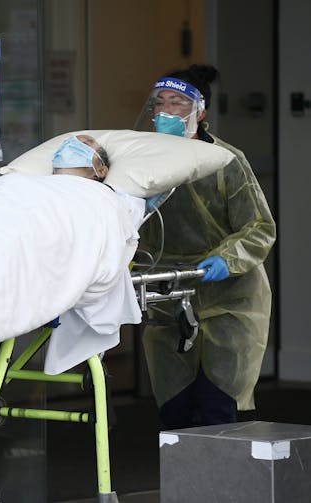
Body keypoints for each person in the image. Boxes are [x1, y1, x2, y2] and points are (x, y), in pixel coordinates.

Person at [134, 64, 276, 428]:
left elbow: (259, 227)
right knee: (174, 411)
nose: (166, 112)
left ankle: (222, 486)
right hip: (169, 298)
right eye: (159, 103)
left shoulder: (224, 161)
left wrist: (227, 259)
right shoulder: (138, 161)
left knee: (217, 409)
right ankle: (183, 487)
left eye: (178, 103)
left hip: (228, 300)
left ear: (200, 111)